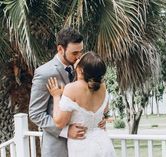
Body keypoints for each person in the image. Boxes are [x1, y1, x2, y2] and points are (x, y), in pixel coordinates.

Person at [29, 27, 105, 157]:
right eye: (74, 53)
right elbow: (35, 113)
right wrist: (65, 131)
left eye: (81, 52)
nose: (79, 57)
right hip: (58, 149)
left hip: (85, 147)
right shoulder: (44, 73)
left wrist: (100, 118)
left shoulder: (84, 69)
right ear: (60, 49)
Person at [46, 51, 116, 157]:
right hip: (104, 144)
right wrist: (100, 120)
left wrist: (56, 96)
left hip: (83, 148)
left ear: (81, 70)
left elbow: (59, 122)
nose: (77, 59)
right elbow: (105, 111)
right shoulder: (103, 87)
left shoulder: (72, 88)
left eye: (80, 59)